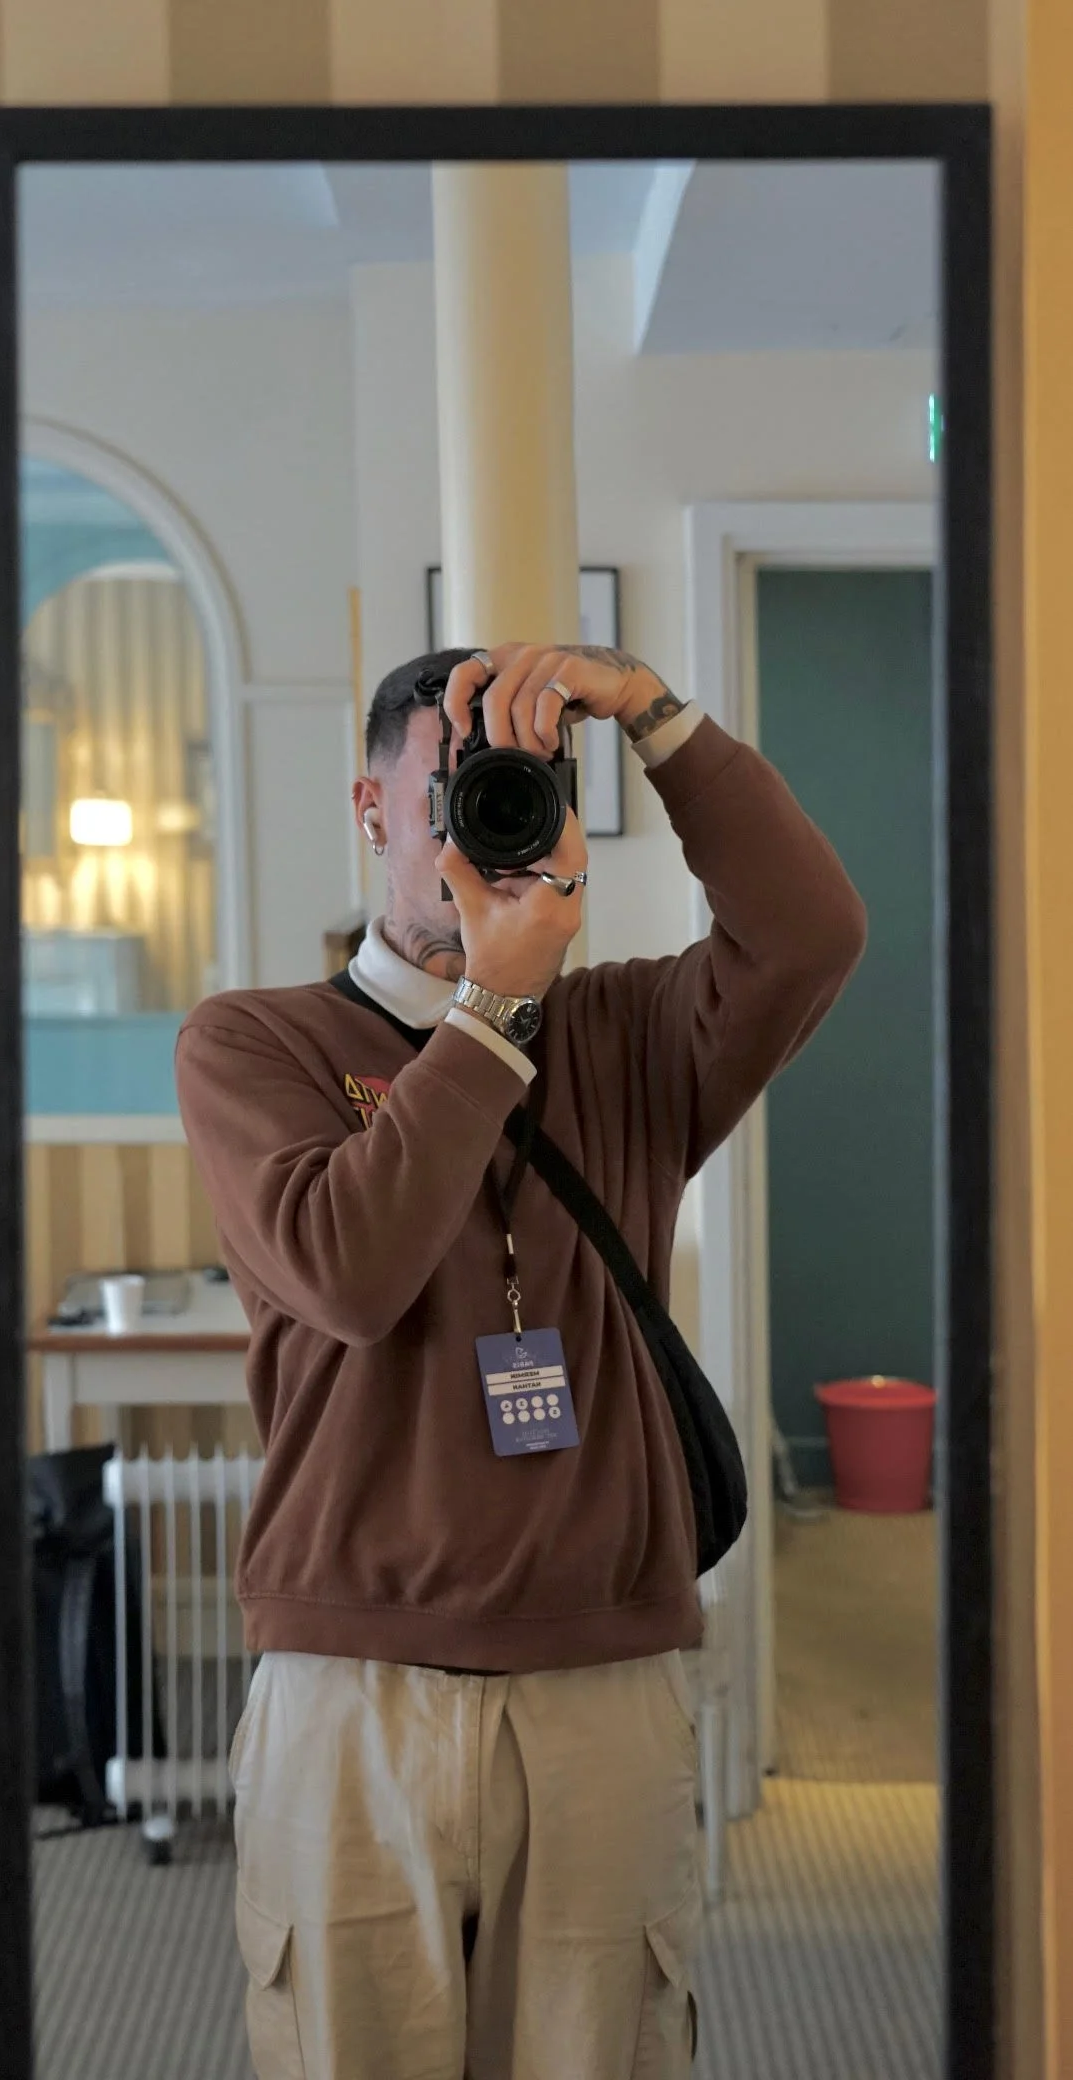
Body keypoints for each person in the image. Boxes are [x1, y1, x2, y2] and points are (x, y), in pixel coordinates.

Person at [175, 641, 868, 2080]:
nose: (489, 823)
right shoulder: (256, 1043)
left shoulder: (617, 1035)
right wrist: (489, 1012)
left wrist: (658, 722)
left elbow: (808, 936)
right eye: (458, 789)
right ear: (378, 815)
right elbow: (349, 1273)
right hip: (350, 1684)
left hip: (598, 1678)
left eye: (527, 789)